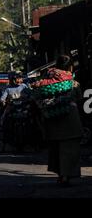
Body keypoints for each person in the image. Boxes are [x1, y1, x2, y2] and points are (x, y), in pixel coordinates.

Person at [43, 55, 82, 186]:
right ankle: (66, 175)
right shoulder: (72, 81)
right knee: (69, 147)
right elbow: (78, 96)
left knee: (56, 147)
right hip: (70, 117)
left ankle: (60, 175)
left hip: (53, 117)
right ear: (70, 66)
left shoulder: (48, 79)